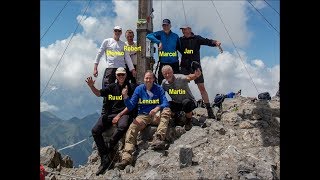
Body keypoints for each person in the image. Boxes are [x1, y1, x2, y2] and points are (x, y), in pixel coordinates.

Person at [114, 70, 171, 170]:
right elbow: (131, 105)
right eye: (146, 78)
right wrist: (126, 97)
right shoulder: (139, 89)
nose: (148, 80)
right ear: (144, 79)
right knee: (132, 127)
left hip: (156, 114)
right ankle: (126, 158)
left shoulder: (159, 89)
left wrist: (157, 108)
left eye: (150, 78)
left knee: (166, 111)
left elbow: (166, 103)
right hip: (143, 115)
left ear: (153, 79)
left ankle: (158, 138)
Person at [86, 67, 137, 175]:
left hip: (124, 113)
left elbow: (131, 105)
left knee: (122, 126)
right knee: (95, 130)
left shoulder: (131, 87)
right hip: (109, 114)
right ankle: (105, 157)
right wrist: (91, 86)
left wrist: (119, 115)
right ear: (116, 76)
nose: (121, 76)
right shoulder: (111, 87)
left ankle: (110, 145)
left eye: (123, 74)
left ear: (126, 75)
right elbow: (98, 93)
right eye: (119, 75)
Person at [179, 25, 222, 119]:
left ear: (190, 30)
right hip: (184, 67)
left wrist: (215, 42)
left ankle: (209, 110)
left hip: (195, 66)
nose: (183, 31)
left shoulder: (197, 38)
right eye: (182, 30)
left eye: (185, 29)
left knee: (202, 88)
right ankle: (182, 109)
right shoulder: (180, 40)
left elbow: (207, 41)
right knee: (181, 88)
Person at [161, 65, 201, 131]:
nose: (167, 75)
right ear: (163, 75)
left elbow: (188, 77)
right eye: (165, 74)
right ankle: (177, 118)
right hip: (177, 103)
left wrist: (196, 75)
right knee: (167, 105)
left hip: (190, 101)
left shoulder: (180, 78)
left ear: (172, 72)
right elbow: (161, 93)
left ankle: (188, 121)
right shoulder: (164, 83)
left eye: (169, 73)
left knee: (186, 103)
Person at [146, 19, 181, 84]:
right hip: (163, 62)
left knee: (176, 83)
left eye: (167, 25)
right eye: (164, 25)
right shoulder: (159, 34)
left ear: (170, 26)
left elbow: (180, 48)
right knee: (161, 83)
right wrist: (159, 42)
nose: (165, 27)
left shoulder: (175, 36)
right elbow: (148, 36)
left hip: (174, 63)